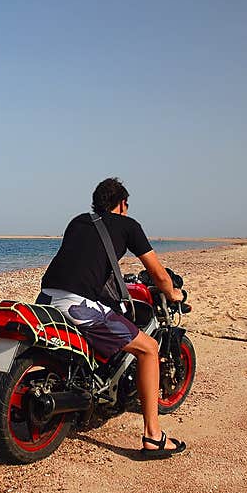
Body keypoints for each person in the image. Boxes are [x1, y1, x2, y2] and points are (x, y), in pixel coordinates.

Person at [36, 177, 186, 459]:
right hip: (77, 305)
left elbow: (86, 262)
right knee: (149, 349)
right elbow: (158, 273)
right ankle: (153, 437)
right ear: (122, 204)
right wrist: (173, 293)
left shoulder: (78, 221)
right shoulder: (128, 225)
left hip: (46, 298)